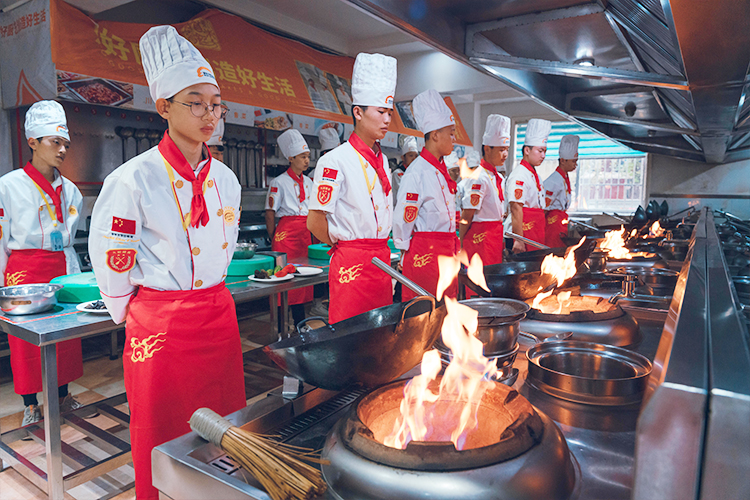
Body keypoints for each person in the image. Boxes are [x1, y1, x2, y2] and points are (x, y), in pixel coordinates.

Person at [88, 26, 245, 500]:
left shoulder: (227, 180)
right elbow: (112, 259)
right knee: (160, 435)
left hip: (218, 316)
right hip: (160, 325)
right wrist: (127, 311)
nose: (209, 115)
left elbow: (226, 246)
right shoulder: (131, 180)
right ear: (164, 107)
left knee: (224, 434)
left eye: (215, 103)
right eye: (195, 102)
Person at [0, 100, 84, 425]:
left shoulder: (71, 191)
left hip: (61, 269)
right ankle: (30, 403)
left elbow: (70, 241)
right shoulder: (8, 186)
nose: (62, 150)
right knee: (24, 342)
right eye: (55, 142)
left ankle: (63, 394)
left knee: (65, 335)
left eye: (66, 143)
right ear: (32, 142)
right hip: (22, 270)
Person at [307, 52, 397, 323]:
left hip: (381, 258)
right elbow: (314, 221)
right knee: (350, 334)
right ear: (358, 112)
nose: (386, 120)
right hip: (352, 264)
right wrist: (346, 245)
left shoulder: (382, 160)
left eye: (390, 113)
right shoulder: (334, 160)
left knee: (381, 335)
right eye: (380, 112)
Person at [393, 89, 458, 300]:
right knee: (425, 316)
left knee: (448, 315)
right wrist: (402, 249)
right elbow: (404, 216)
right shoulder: (416, 172)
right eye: (451, 132)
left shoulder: (441, 170)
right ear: (435, 135)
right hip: (426, 256)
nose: (454, 138)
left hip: (447, 251)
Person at [265, 129, 314, 327]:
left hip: (305, 233)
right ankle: (280, 324)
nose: (306, 160)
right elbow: (270, 211)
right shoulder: (278, 182)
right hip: (286, 234)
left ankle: (300, 322)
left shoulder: (310, 182)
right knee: (284, 278)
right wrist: (273, 237)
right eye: (303, 156)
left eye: (308, 156)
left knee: (304, 278)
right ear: (291, 158)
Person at [459, 115, 511, 266]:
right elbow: (466, 216)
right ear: (487, 149)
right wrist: (461, 244)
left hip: (493, 238)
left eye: (507, 150)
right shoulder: (479, 178)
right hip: (480, 240)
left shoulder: (497, 177)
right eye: (501, 150)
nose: (505, 155)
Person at [506, 118, 551, 253]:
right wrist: (519, 240)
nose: (543, 155)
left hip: (533, 231)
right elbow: (515, 208)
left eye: (545, 151)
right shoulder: (519, 175)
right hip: (522, 234)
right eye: (540, 151)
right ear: (527, 150)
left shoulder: (534, 174)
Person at [545, 135, 579, 248]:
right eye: (573, 161)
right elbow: (544, 208)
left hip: (560, 222)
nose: (576, 164)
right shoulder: (553, 181)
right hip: (552, 224)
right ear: (563, 161)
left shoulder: (564, 178)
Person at [391, 135, 419, 200]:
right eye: (411, 155)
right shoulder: (398, 173)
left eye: (416, 156)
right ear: (403, 158)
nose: (414, 159)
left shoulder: (417, 174)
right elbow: (405, 193)